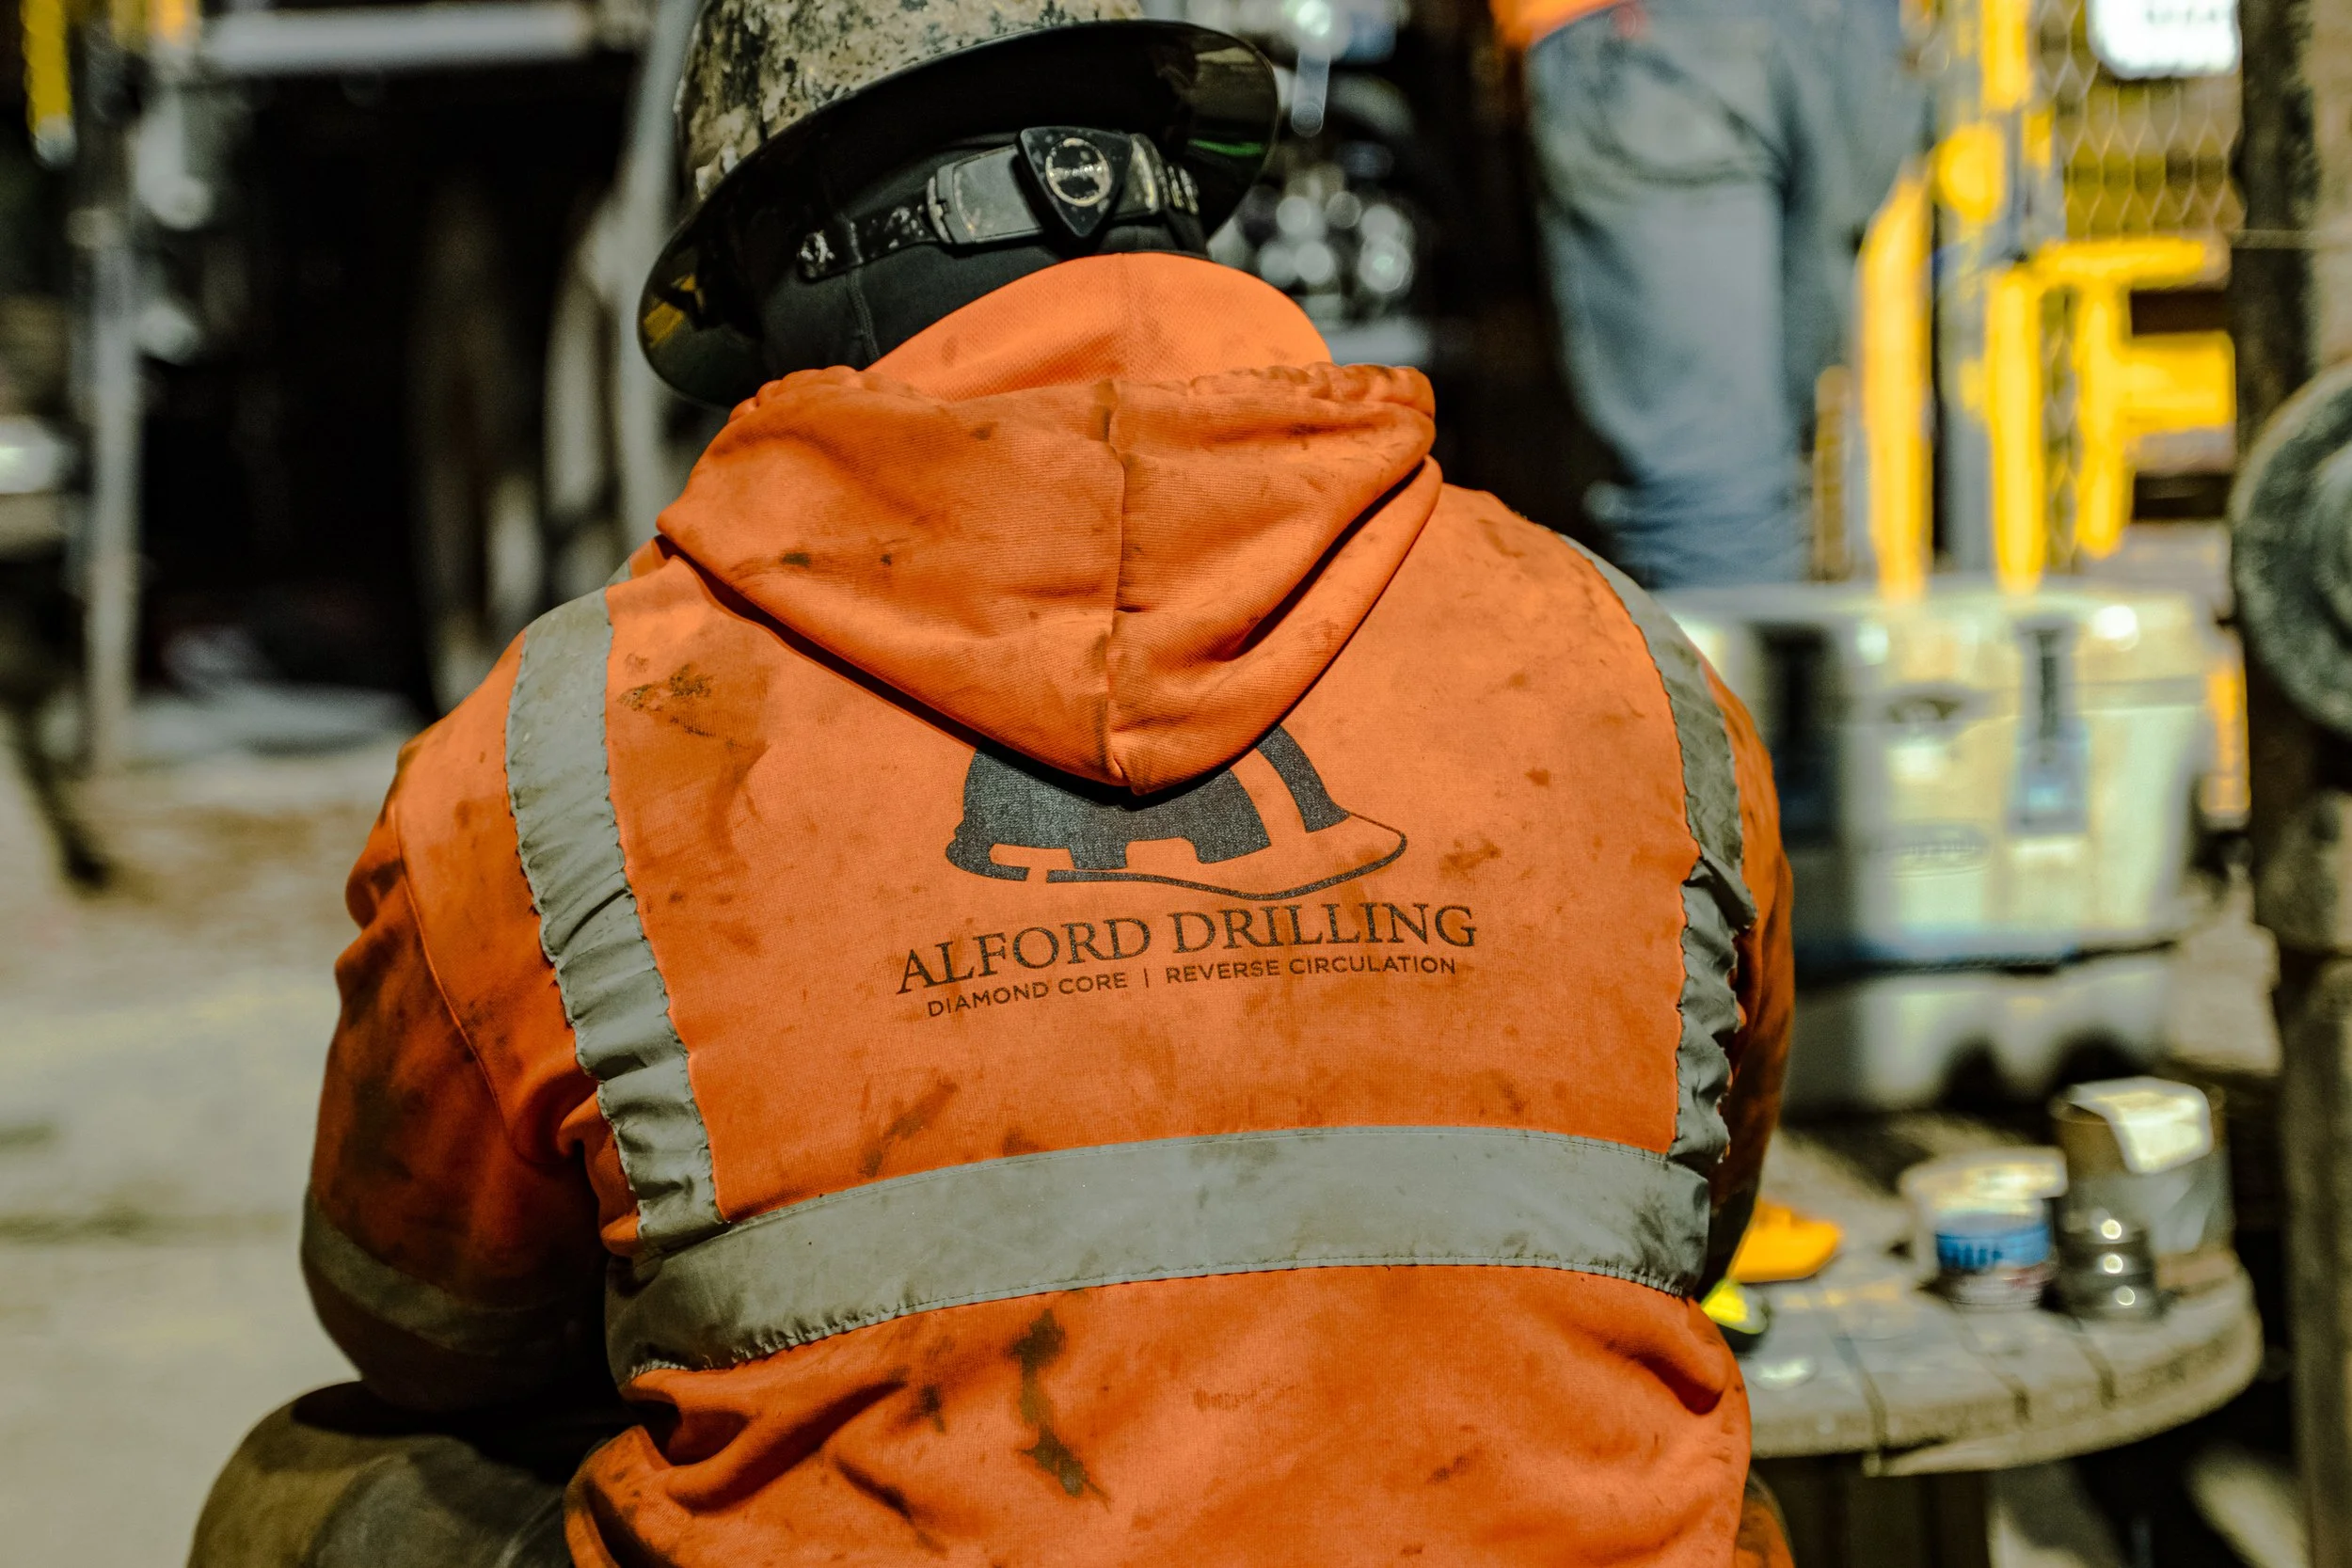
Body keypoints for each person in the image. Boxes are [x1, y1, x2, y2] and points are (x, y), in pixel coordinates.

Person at [194, 2, 1794, 1562]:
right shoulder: (1625, 673)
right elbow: (1687, 1221)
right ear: (1181, 203)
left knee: (304, 1492)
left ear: (775, 293)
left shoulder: (555, 760)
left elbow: (423, 1323)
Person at [1495, 0, 1921, 589]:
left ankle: (1736, 680)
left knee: (1714, 500)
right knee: (1764, 469)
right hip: (1853, 34)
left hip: (1653, 35)